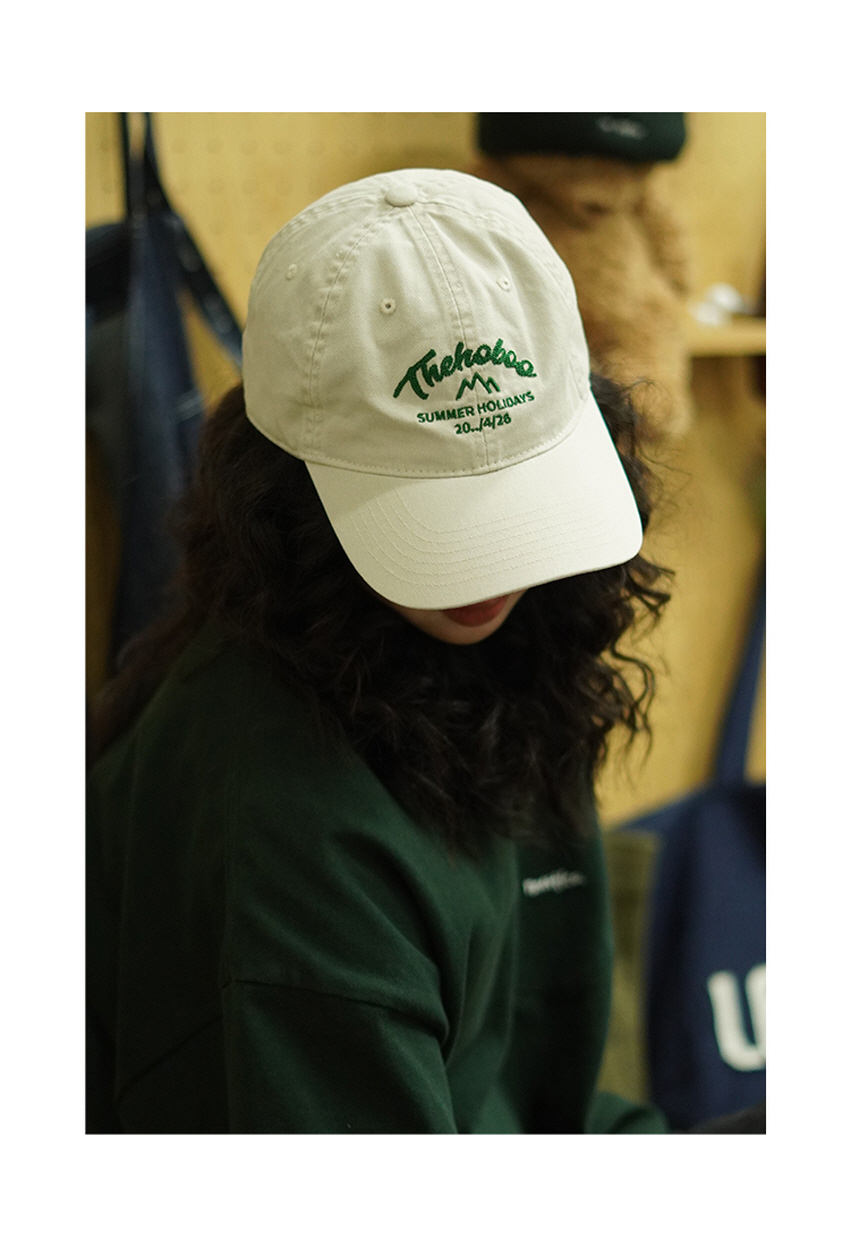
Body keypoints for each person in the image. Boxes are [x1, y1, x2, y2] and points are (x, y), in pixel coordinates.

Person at [86, 167, 674, 1134]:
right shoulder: (293, 830)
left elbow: (549, 1089)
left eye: (519, 498)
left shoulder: (518, 646)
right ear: (287, 494)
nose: (492, 570)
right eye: (438, 516)